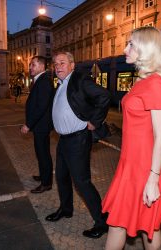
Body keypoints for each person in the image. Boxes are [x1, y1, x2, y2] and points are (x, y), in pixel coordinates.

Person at [102, 26, 161, 250]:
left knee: (144, 226)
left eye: (131, 44)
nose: (125, 48)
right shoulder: (143, 81)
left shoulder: (155, 85)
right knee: (139, 225)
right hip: (130, 164)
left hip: (145, 168)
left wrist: (152, 180)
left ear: (147, 49)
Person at [46, 51, 111, 239]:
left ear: (72, 65)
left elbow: (104, 96)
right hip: (63, 140)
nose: (58, 66)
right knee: (62, 177)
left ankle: (102, 222)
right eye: (55, 63)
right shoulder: (60, 84)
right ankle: (66, 210)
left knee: (82, 182)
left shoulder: (79, 79)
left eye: (62, 62)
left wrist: (94, 121)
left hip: (77, 139)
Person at [20, 56, 54, 193]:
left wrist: (28, 124)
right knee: (41, 153)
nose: (30, 67)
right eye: (30, 65)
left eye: (33, 64)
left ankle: (46, 183)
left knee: (43, 154)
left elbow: (41, 106)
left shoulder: (44, 81)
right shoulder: (40, 80)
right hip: (40, 125)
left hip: (41, 125)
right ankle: (43, 176)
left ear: (41, 65)